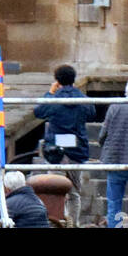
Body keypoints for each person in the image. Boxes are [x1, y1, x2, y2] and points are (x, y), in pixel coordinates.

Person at [33, 64, 92, 227]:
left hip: (55, 150)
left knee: (53, 189)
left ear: (57, 80)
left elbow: (38, 111)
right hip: (76, 150)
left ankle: (55, 222)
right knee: (74, 193)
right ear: (74, 80)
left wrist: (50, 93)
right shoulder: (82, 99)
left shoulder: (54, 100)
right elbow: (92, 111)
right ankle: (73, 223)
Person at [98, 75, 128, 228]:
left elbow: (103, 134)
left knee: (114, 204)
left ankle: (114, 226)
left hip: (115, 159)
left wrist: (104, 146)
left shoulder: (114, 106)